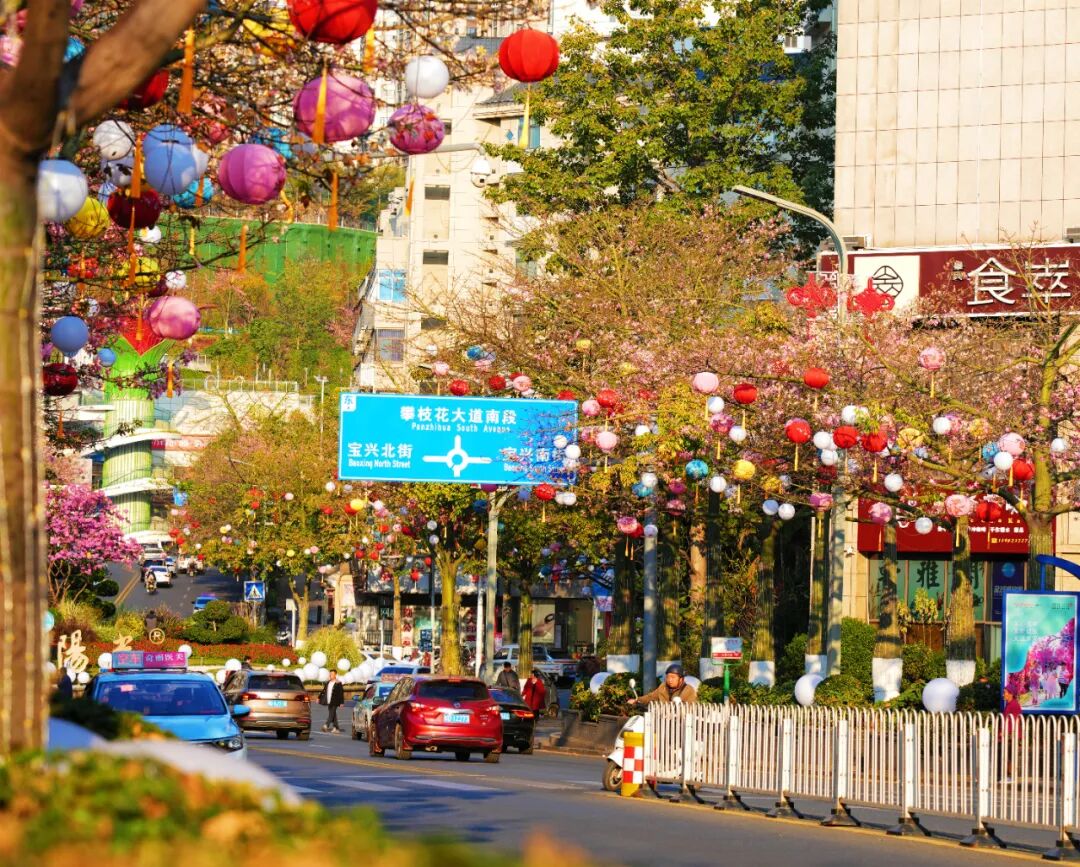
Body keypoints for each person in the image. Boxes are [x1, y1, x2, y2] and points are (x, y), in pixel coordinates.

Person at [629, 664, 697, 705]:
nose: (670, 680)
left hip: (681, 721)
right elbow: (651, 696)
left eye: (673, 677)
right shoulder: (663, 687)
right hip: (662, 718)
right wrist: (637, 700)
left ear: (681, 679)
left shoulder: (688, 690)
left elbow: (690, 707)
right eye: (668, 677)